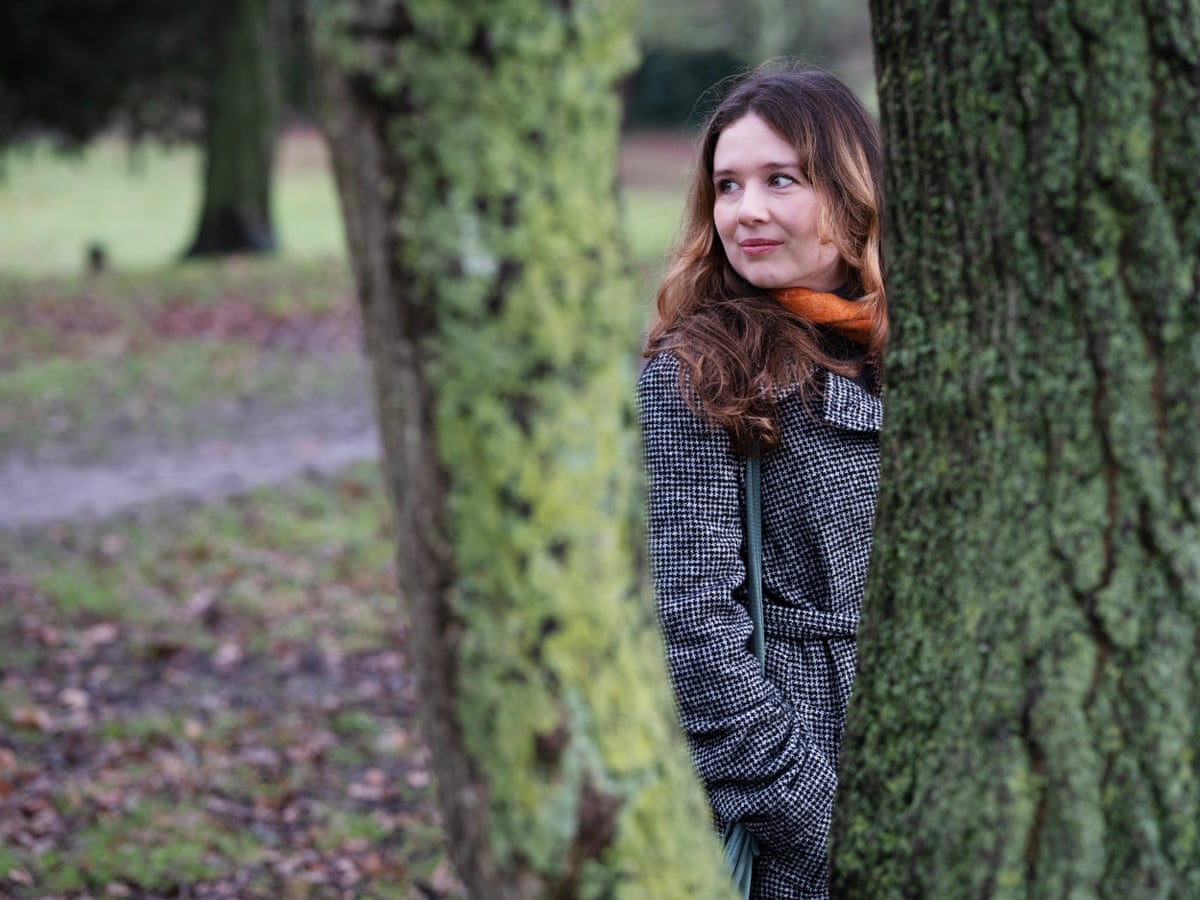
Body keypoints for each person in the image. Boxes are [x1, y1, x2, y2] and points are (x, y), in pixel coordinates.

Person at [638, 64, 887, 898]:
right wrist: (828, 825)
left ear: (852, 190)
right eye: (727, 186)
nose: (746, 211)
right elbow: (693, 632)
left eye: (781, 180)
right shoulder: (705, 368)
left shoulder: (924, 348)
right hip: (806, 780)